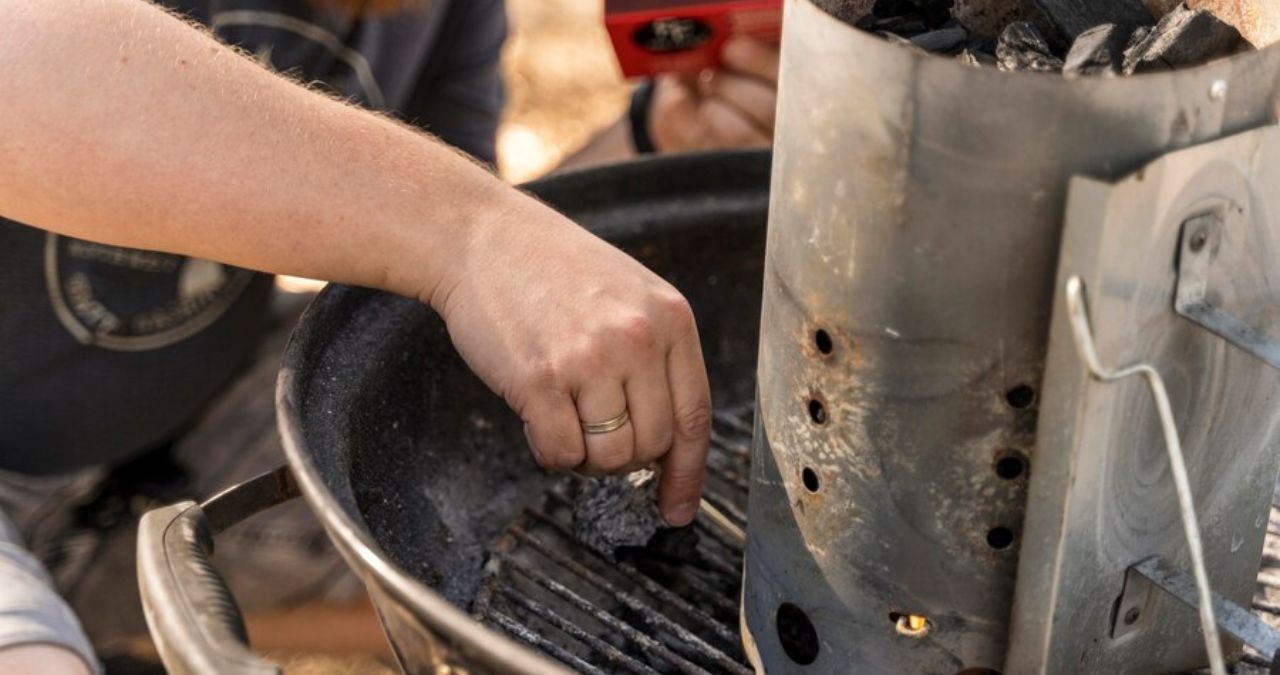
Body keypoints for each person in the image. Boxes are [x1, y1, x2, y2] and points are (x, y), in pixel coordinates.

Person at [0, 1, 780, 673]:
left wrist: (653, 139)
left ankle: (98, 610)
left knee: (451, 528)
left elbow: (451, 287)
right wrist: (472, 231)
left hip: (176, 427)